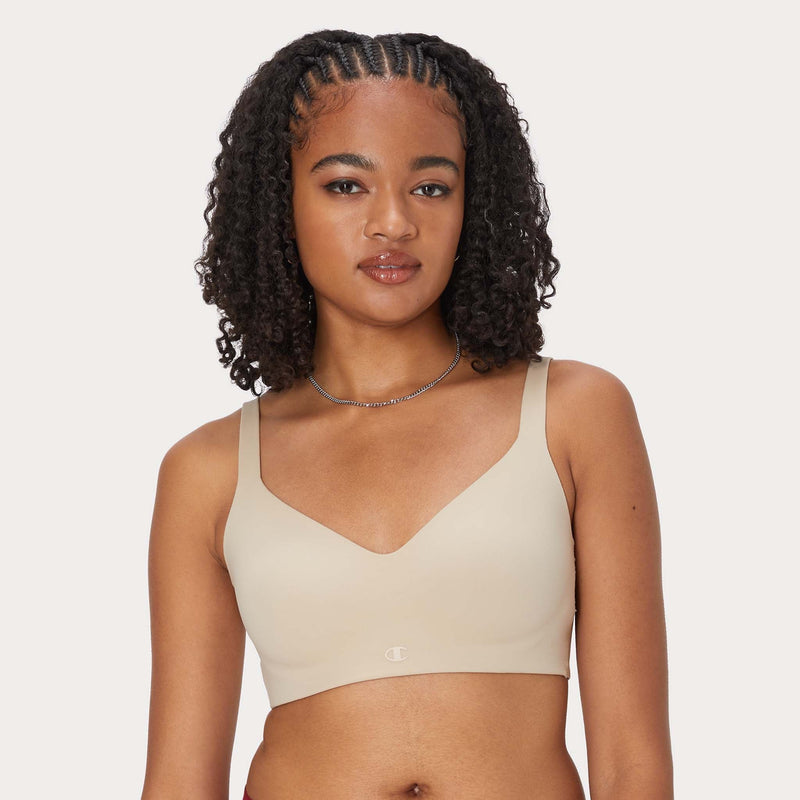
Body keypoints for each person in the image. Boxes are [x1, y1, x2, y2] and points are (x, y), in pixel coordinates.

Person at [141, 30, 673, 800]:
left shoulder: (575, 415)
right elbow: (178, 783)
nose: (392, 222)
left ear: (473, 204)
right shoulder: (209, 471)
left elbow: (633, 764)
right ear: (279, 203)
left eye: (430, 187)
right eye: (345, 185)